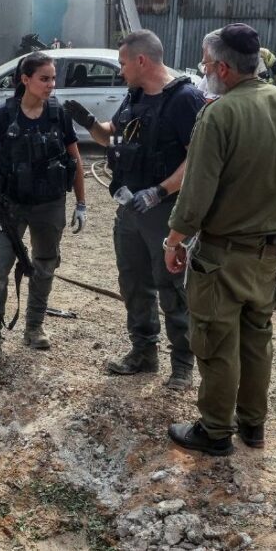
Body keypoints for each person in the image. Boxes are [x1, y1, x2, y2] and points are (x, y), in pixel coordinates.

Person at [163, 23, 276, 456]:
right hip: (269, 256)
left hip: (222, 255)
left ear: (222, 68)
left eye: (205, 64)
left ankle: (216, 431)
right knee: (257, 339)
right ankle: (253, 425)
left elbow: (195, 195)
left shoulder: (219, 114)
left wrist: (174, 240)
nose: (203, 71)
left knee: (216, 341)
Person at [64, 29, 205, 390]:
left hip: (166, 213)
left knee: (172, 287)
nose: (121, 69)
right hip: (129, 209)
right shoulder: (135, 96)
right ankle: (143, 352)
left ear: (142, 60)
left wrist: (160, 191)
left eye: (123, 63)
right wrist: (90, 123)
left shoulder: (184, 99)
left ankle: (182, 364)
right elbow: (114, 136)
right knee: (133, 283)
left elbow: (198, 157)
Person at [0, 51, 85, 363]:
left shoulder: (58, 115)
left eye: (53, 78)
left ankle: (34, 327)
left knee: (45, 266)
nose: (51, 84)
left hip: (49, 204)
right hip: (9, 206)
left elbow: (75, 160)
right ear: (25, 80)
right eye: (44, 79)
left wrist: (81, 203)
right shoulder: (5, 115)